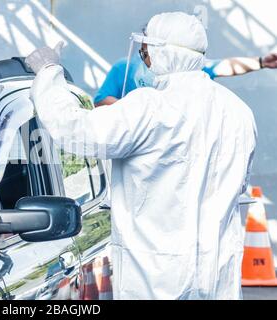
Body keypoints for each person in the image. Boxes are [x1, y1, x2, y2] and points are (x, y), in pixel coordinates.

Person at [26, 11, 257, 299]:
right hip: (218, 276)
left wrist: (48, 73)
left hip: (158, 278)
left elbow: (76, 131)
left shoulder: (150, 108)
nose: (144, 60)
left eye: (145, 52)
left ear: (161, 54)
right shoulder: (238, 112)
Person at [95, 47, 277, 106]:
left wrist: (262, 62)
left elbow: (223, 66)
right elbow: (101, 100)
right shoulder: (124, 66)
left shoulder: (182, 68)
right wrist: (136, 110)